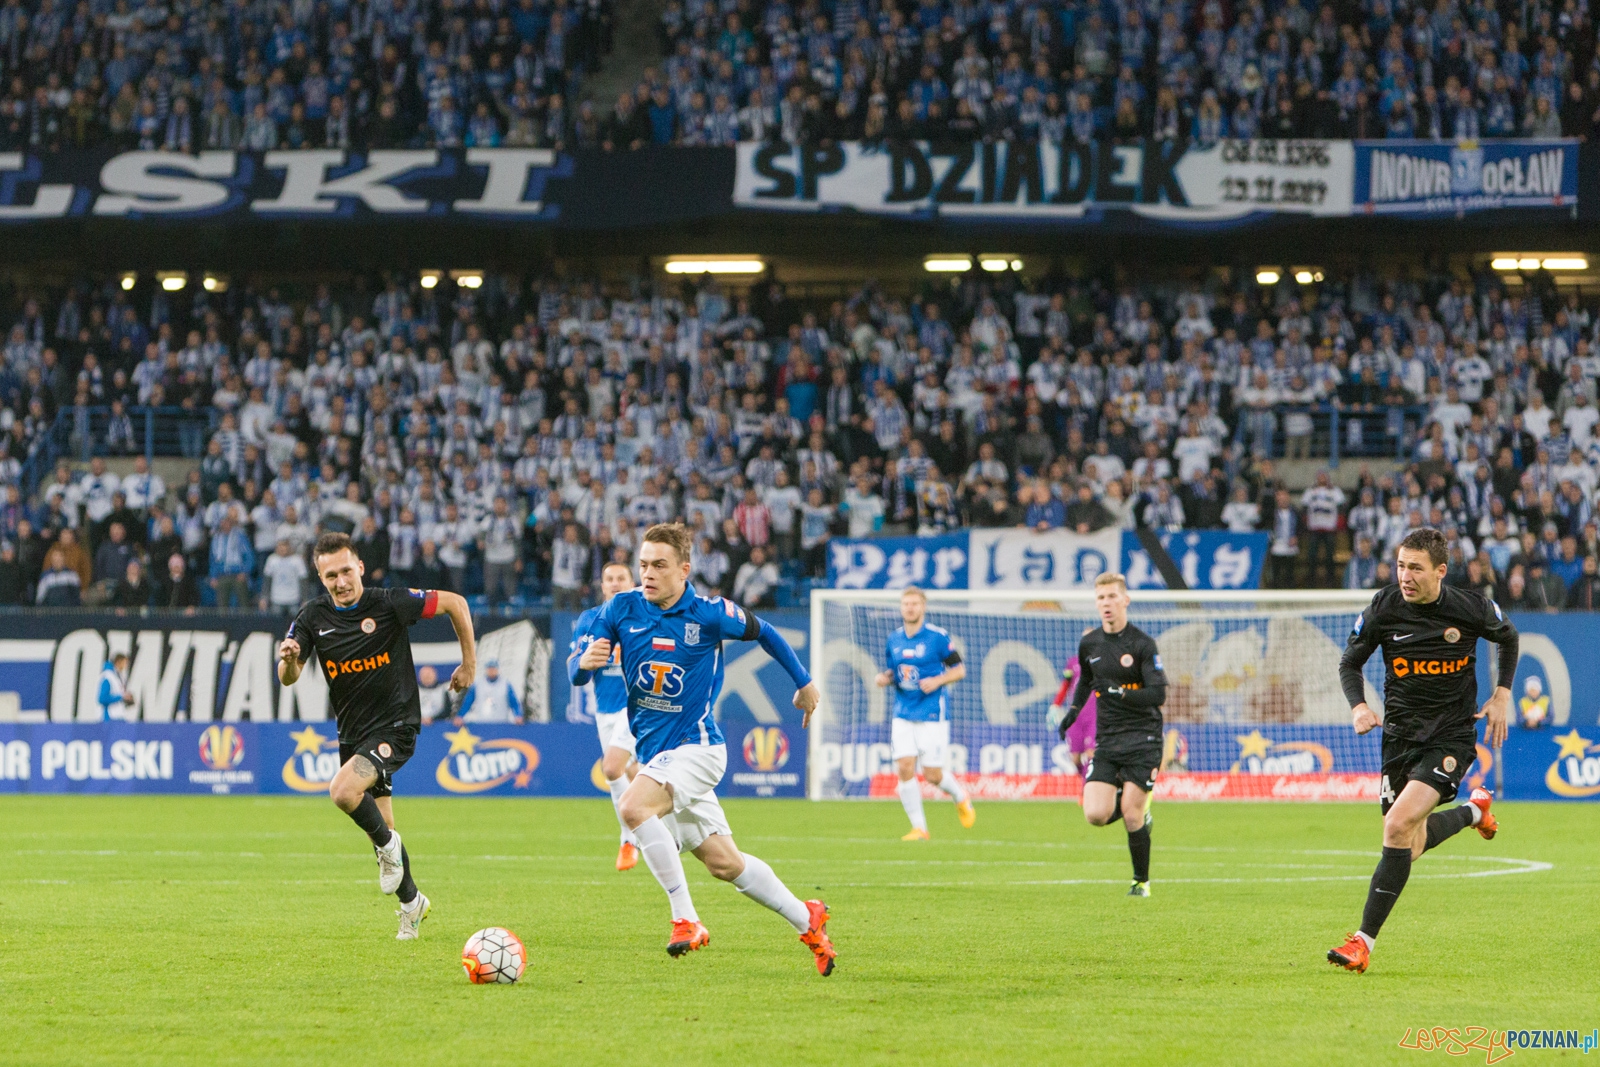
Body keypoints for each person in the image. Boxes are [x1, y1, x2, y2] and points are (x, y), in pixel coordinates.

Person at [570, 523, 835, 974]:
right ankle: (806, 917)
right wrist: (583, 664)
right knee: (724, 864)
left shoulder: (710, 612)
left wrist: (805, 683)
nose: (648, 574)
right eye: (643, 565)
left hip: (699, 747)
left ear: (684, 570)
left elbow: (766, 632)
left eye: (659, 565)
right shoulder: (620, 608)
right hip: (658, 755)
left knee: (633, 808)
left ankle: (686, 919)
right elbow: (579, 670)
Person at [1327, 527, 1515, 974]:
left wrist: (1503, 693)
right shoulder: (1383, 607)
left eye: (1415, 568)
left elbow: (1508, 637)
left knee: (1396, 826)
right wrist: (1358, 707)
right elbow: (1349, 661)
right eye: (1400, 566)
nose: (1405, 576)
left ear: (1440, 572)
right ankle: (1474, 812)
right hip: (1399, 738)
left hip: (1450, 737)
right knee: (1406, 844)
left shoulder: (1469, 607)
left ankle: (1362, 943)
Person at [277, 532, 477, 941]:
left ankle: (388, 853)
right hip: (353, 734)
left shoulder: (389, 602)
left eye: (346, 570)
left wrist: (469, 665)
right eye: (330, 575)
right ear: (320, 577)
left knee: (342, 791)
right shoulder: (313, 616)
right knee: (382, 823)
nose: (341, 581)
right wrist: (291, 661)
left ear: (360, 567)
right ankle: (412, 904)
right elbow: (288, 678)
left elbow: (456, 602)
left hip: (397, 726)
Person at [1057, 572, 1166, 897]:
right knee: (1095, 814)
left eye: (1112, 597)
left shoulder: (1142, 644)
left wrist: (1119, 692)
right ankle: (1133, 799)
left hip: (1143, 738)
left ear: (1125, 600)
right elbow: (1086, 684)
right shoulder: (1089, 644)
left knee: (1133, 815)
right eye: (1101, 598)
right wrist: (1072, 715)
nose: (1106, 603)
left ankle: (1140, 882)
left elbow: (1157, 695)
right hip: (1108, 740)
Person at [875, 586, 974, 840]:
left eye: (914, 604)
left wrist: (938, 681)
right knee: (905, 766)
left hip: (931, 712)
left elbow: (959, 670)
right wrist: (885, 678)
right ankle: (920, 827)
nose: (910, 607)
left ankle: (960, 797)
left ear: (923, 607)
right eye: (906, 603)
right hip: (903, 711)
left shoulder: (937, 637)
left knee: (932, 774)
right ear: (901, 607)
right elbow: (895, 672)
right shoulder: (894, 639)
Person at [569, 561, 643, 872]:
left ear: (632, 582)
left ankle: (629, 839)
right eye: (609, 579)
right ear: (602, 586)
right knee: (636, 774)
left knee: (612, 769)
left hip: (640, 706)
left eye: (621, 578)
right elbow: (576, 676)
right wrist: (584, 662)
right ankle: (656, 834)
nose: (614, 583)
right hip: (606, 711)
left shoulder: (646, 615)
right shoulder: (591, 619)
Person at [1050, 653, 1098, 774]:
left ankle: (1087, 785)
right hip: (1076, 715)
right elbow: (1065, 684)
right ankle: (1084, 777)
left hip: (1094, 715)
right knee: (1075, 758)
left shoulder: (1103, 661)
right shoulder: (1073, 662)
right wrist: (1055, 705)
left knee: (1091, 753)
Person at [456, 659, 523, 723]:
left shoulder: (505, 684)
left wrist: (518, 715)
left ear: (497, 670)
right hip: (482, 723)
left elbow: (514, 703)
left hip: (501, 723)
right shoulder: (478, 684)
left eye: (494, 669)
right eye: (490, 669)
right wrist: (460, 716)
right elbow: (468, 701)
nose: (491, 671)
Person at [261, 539, 308, 613]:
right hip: (277, 598)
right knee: (276, 623)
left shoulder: (297, 560)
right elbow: (267, 581)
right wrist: (264, 598)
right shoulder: (272, 560)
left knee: (295, 623)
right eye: (281, 547)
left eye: (285, 547)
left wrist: (305, 599)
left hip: (293, 598)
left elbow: (303, 581)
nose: (283, 549)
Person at [97, 652, 130, 721]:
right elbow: (102, 698)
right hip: (109, 717)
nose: (126, 666)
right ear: (118, 662)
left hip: (119, 716)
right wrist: (121, 697)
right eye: (125, 663)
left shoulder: (118, 676)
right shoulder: (107, 676)